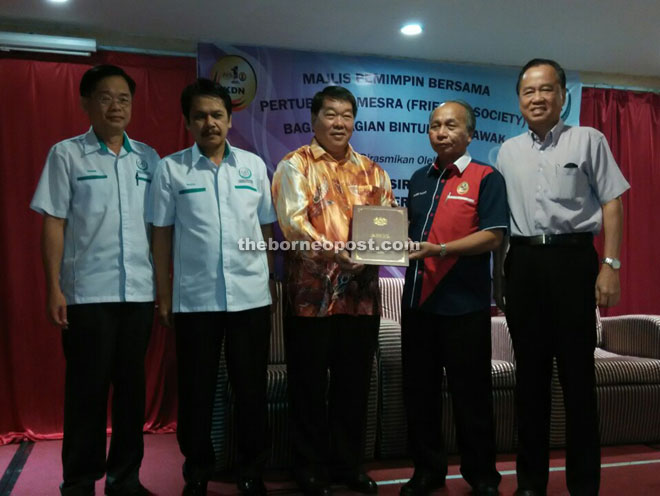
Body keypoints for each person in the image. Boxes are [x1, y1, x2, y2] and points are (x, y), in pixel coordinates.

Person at [494, 59, 630, 496]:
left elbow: (612, 203)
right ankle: (530, 484)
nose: (537, 98)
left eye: (546, 89)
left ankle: (584, 485)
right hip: (524, 266)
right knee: (529, 382)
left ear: (563, 95)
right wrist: (502, 279)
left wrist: (610, 267)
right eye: (528, 91)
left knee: (577, 380)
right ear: (519, 99)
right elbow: (502, 223)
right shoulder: (506, 151)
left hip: (573, 263)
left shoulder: (589, 140)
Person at [30, 65, 159, 496]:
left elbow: (160, 229)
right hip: (87, 293)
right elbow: (54, 223)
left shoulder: (149, 159)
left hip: (139, 292)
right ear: (86, 102)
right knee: (86, 393)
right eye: (105, 97)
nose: (116, 106)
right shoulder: (66, 155)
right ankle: (80, 482)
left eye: (124, 98)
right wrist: (54, 287)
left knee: (131, 392)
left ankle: (126, 479)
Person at [150, 78, 276, 496]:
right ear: (188, 121)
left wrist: (269, 283)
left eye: (217, 114)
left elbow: (265, 229)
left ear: (230, 118)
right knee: (197, 390)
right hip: (195, 300)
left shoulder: (253, 167)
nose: (210, 122)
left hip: (250, 300)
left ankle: (250, 470)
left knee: (251, 390)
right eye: (201, 116)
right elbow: (162, 235)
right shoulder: (171, 169)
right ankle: (198, 469)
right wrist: (164, 296)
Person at [271, 85, 395, 496]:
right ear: (314, 119)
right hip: (311, 301)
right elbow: (292, 225)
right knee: (308, 387)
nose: (339, 123)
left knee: (354, 386)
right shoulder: (295, 165)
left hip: (360, 300)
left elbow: (388, 224)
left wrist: (372, 253)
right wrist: (337, 253)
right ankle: (308, 468)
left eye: (346, 115)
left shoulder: (374, 172)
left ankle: (348, 466)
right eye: (331, 114)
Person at [399, 101, 506, 496]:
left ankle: (482, 477)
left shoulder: (486, 177)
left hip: (465, 306)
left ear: (470, 134)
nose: (441, 133)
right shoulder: (417, 178)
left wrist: (440, 250)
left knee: (471, 396)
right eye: (434, 126)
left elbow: (494, 236)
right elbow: (406, 237)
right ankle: (427, 471)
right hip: (419, 304)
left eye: (450, 126)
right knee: (420, 394)